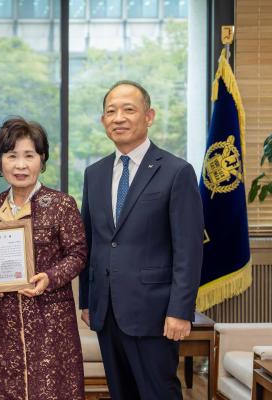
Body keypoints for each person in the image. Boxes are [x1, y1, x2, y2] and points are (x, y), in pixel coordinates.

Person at [79, 80, 204, 399]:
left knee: (158, 392)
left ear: (149, 116)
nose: (118, 117)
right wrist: (87, 301)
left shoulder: (176, 172)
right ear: (103, 121)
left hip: (155, 313)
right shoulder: (95, 174)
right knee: (121, 393)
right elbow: (90, 241)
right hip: (106, 312)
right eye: (110, 111)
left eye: (128, 109)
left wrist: (180, 310)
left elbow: (188, 250)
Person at [0, 117, 87, 399]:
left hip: (52, 323)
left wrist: (49, 278)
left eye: (29, 155)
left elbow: (78, 254)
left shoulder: (62, 204)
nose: (21, 165)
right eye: (12, 156)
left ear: (42, 160)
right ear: (0, 162)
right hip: (5, 325)